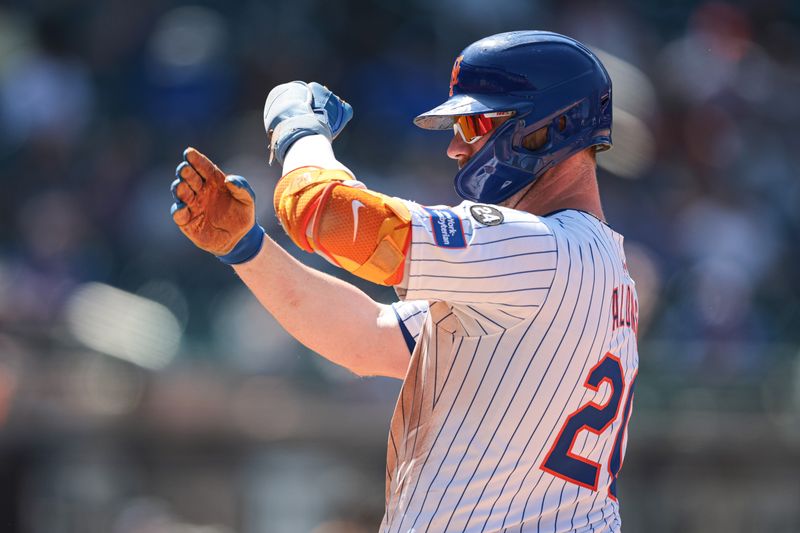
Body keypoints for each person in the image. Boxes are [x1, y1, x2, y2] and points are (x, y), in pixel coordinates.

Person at [170, 30, 640, 533]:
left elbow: (327, 216)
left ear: (552, 127)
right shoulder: (592, 266)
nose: (456, 148)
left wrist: (298, 133)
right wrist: (248, 251)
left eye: (476, 123)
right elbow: (365, 336)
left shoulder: (541, 248)